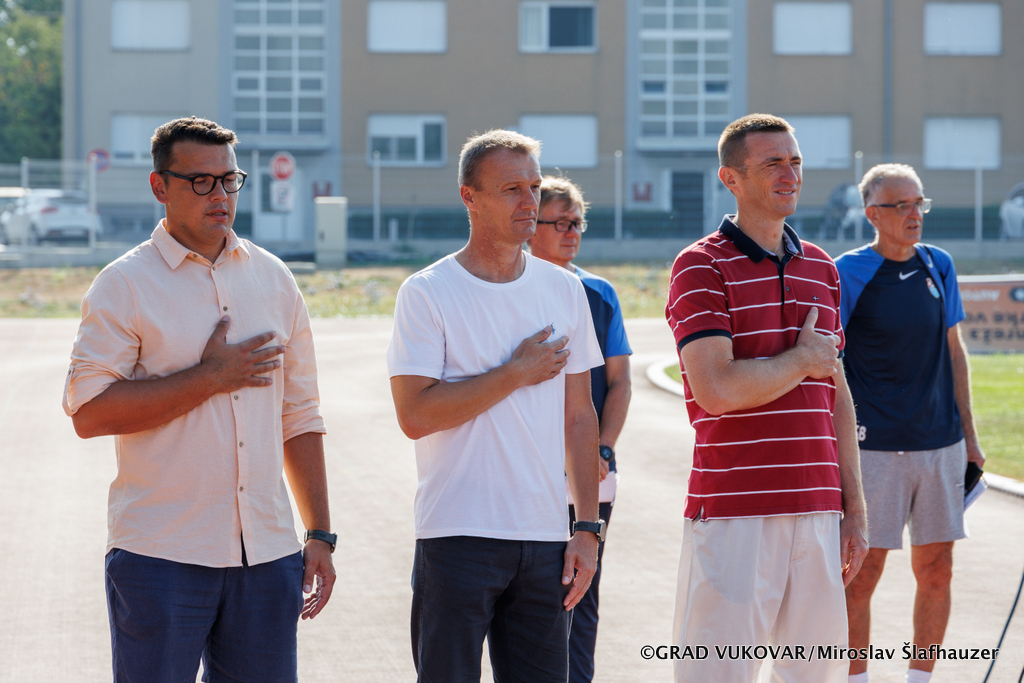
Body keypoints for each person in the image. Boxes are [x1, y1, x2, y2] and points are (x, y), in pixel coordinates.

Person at [62, 116, 336, 682]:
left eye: (229, 180)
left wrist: (319, 534)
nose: (220, 195)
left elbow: (299, 416)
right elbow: (89, 413)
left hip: (267, 555)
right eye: (200, 182)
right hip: (161, 555)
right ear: (160, 187)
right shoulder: (124, 284)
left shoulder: (275, 279)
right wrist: (208, 378)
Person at [386, 130, 605, 682]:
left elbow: (579, 416)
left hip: (545, 537)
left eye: (534, 187)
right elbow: (415, 416)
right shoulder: (428, 291)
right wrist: (514, 373)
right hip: (456, 534)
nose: (529, 202)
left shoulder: (564, 289)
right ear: (470, 197)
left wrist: (586, 526)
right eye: (511, 189)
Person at [664, 113, 869, 683]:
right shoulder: (700, 265)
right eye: (773, 163)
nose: (790, 174)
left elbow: (836, 393)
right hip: (735, 510)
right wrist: (800, 360)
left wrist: (854, 509)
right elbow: (717, 390)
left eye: (795, 161)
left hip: (819, 508)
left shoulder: (822, 268)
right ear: (731, 178)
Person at [837, 164, 985, 683]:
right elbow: (828, 361)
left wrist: (970, 437)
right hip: (873, 449)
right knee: (861, 574)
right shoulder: (848, 272)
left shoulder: (938, 264)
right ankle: (855, 678)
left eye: (919, 203)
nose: (914, 214)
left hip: (940, 446)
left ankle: (919, 678)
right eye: (901, 205)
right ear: (873, 214)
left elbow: (955, 351)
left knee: (938, 570)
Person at [526, 175, 632, 683]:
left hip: (589, 475)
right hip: (527, 473)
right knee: (530, 601)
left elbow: (620, 382)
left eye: (578, 223)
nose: (572, 233)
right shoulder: (512, 289)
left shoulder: (599, 293)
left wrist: (602, 448)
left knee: (580, 598)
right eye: (561, 223)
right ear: (532, 227)